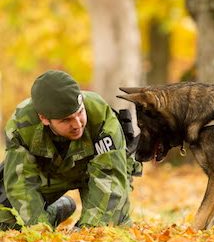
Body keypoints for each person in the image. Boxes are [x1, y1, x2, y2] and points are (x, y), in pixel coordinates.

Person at [0, 70, 141, 231]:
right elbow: (21, 184)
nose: (77, 124)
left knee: (110, 227)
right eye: (66, 120)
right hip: (50, 175)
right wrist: (40, 228)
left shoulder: (100, 113)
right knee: (5, 220)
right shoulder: (22, 124)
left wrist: (86, 230)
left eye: (80, 112)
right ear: (44, 118)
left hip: (97, 171)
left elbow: (110, 176)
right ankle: (55, 211)